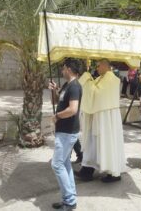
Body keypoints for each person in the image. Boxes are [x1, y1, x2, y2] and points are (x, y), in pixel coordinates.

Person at [77, 59, 125, 182]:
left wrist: (87, 79)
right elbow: (93, 91)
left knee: (107, 144)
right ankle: (87, 170)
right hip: (98, 116)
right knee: (93, 145)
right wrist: (89, 80)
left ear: (105, 66)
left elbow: (97, 94)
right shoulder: (101, 78)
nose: (97, 68)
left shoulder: (111, 78)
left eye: (99, 66)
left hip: (107, 119)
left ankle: (113, 173)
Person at [48, 58, 83, 211]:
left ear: (69, 69)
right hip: (64, 131)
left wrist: (56, 117)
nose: (62, 71)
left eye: (63, 68)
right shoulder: (66, 85)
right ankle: (69, 197)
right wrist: (54, 91)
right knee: (65, 164)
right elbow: (58, 101)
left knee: (56, 164)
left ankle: (69, 201)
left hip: (67, 132)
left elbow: (73, 109)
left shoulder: (75, 86)